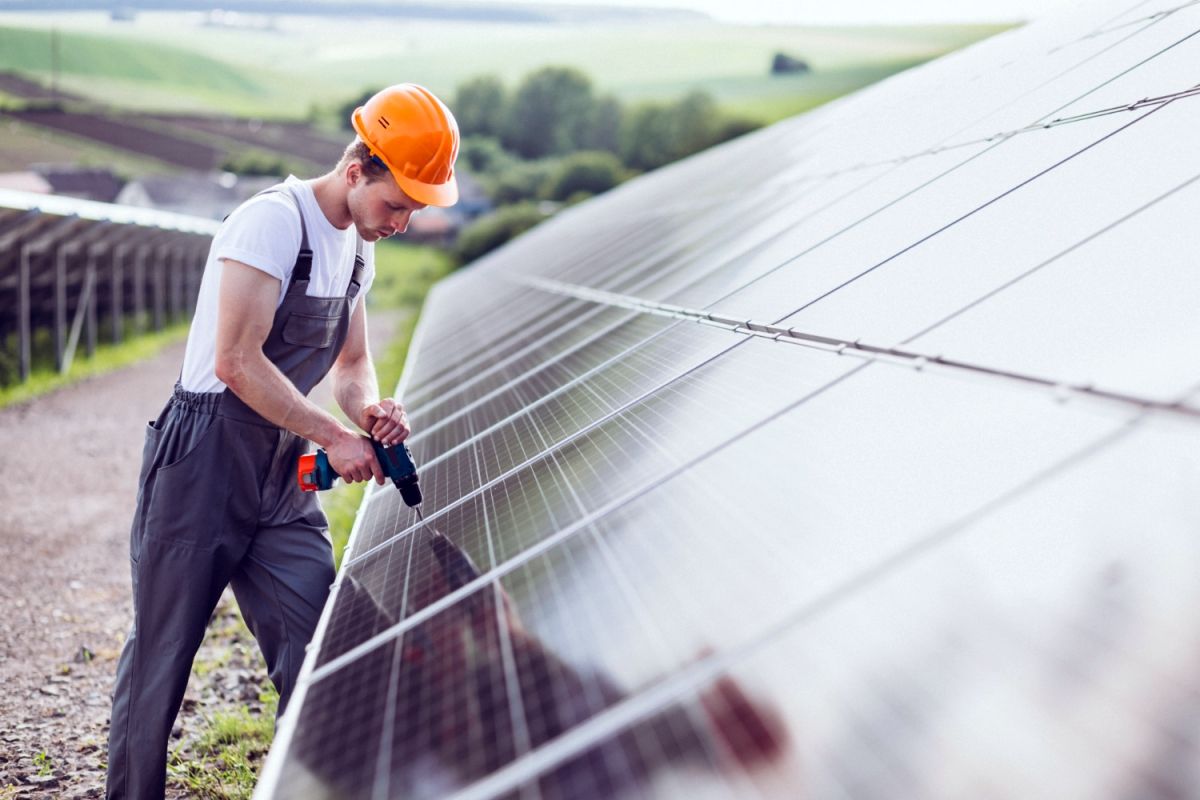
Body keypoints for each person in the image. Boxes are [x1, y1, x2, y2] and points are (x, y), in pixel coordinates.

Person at [106, 83, 461, 800]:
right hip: (203, 464)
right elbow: (236, 360)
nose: (402, 221)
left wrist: (372, 413)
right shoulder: (270, 224)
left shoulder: (359, 252)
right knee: (162, 663)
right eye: (397, 204)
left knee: (320, 650)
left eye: (415, 211)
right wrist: (332, 435)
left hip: (282, 475)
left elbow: (353, 366)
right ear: (358, 167)